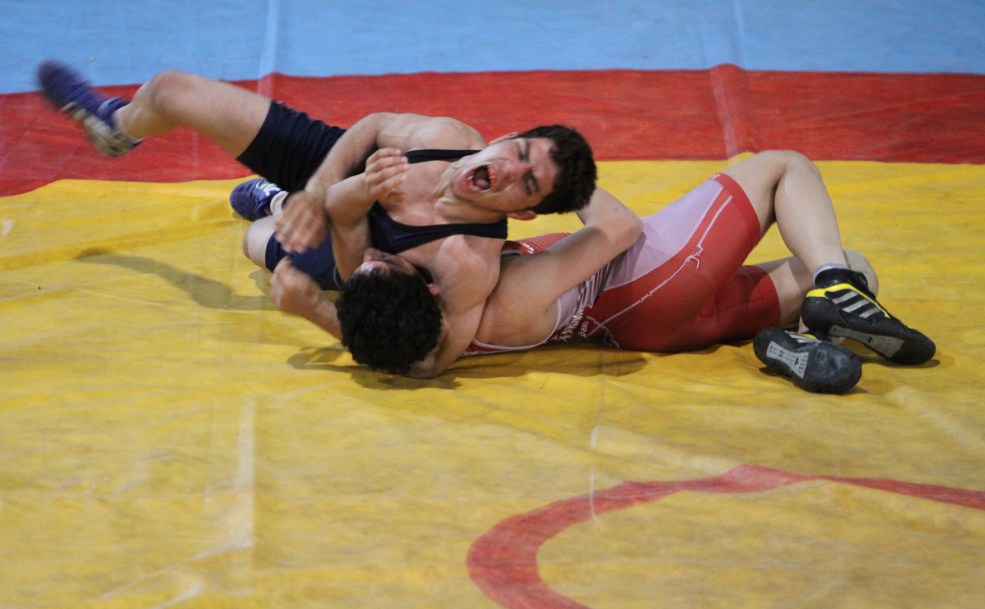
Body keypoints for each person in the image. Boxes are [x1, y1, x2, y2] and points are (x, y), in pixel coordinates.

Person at [36, 60, 597, 377]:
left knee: (257, 243)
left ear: (523, 211)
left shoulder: (467, 262)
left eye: (526, 183)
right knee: (169, 90)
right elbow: (371, 125)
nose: (507, 169)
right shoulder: (445, 138)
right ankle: (117, 129)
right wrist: (318, 190)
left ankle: (278, 205)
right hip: (332, 166)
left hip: (355, 257)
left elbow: (424, 363)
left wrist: (317, 313)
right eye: (518, 152)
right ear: (504, 137)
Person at [272, 149, 935, 392]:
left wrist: (317, 311)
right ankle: (834, 288)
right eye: (387, 261)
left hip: (654, 331)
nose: (376, 253)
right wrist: (551, 177)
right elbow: (620, 230)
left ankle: (797, 342)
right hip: (653, 277)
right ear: (426, 286)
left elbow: (406, 359)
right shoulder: (494, 290)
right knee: (784, 168)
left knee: (858, 264)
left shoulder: (426, 342)